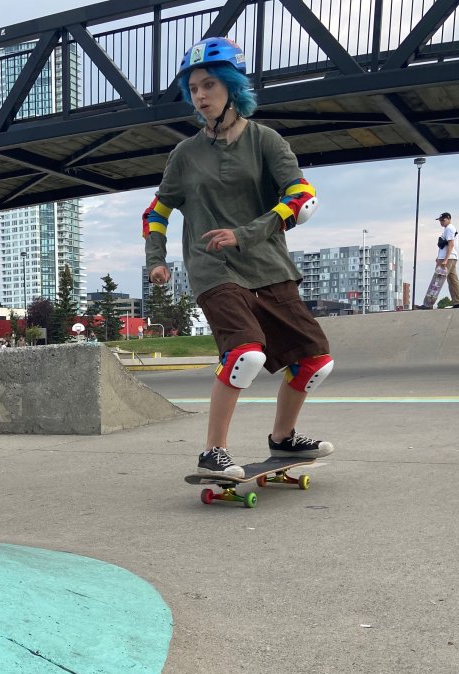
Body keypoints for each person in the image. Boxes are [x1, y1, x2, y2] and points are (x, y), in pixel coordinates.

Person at [143, 36, 335, 479]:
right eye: (192, 89)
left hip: (268, 263)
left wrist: (246, 233)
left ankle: (283, 439)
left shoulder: (265, 141)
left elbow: (302, 198)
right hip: (212, 267)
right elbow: (157, 209)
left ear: (231, 86)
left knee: (314, 360)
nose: (200, 96)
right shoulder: (186, 154)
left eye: (209, 85)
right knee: (244, 353)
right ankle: (214, 450)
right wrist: (158, 257)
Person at [434, 213, 459, 308]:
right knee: (453, 280)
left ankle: (429, 302)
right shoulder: (447, 229)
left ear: (448, 219)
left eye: (443, 220)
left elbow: (451, 244)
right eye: (440, 220)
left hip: (448, 258)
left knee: (438, 279)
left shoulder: (449, 228)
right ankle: (458, 302)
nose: (441, 222)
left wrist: (445, 259)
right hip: (449, 257)